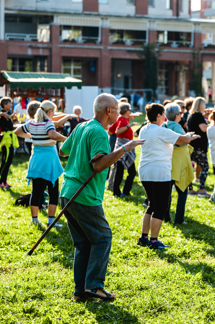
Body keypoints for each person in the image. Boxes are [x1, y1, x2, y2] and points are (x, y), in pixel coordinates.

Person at [59, 93, 144, 301]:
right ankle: (94, 286)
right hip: (83, 196)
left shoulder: (82, 126)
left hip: (68, 191)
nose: (118, 111)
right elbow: (98, 165)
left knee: (84, 244)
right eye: (117, 108)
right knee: (103, 237)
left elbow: (63, 150)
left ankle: (81, 291)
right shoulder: (98, 132)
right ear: (109, 111)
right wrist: (124, 148)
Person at [137, 103, 197, 249]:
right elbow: (183, 140)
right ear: (158, 116)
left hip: (145, 172)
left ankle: (144, 237)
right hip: (159, 173)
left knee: (152, 205)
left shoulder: (144, 129)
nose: (165, 117)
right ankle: (154, 241)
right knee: (160, 207)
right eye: (163, 114)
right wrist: (190, 136)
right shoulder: (160, 130)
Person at [15, 101, 67, 227]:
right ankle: (50, 221)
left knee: (36, 191)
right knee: (53, 191)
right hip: (49, 160)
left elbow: (17, 131)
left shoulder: (32, 122)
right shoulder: (48, 123)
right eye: (53, 112)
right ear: (49, 112)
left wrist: (32, 136)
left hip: (37, 160)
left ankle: (34, 220)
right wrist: (67, 139)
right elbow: (52, 134)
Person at [164, 103, 194, 224]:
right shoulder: (176, 126)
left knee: (167, 192)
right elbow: (182, 141)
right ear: (177, 115)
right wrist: (190, 137)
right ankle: (179, 219)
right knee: (182, 191)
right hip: (179, 160)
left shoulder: (165, 125)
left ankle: (166, 217)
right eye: (180, 113)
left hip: (169, 159)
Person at [111, 102, 139, 198]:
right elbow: (117, 131)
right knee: (125, 172)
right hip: (123, 148)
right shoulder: (122, 120)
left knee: (121, 172)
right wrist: (129, 125)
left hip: (123, 148)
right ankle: (121, 192)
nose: (131, 111)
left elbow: (111, 129)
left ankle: (119, 192)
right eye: (129, 110)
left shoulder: (123, 119)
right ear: (126, 111)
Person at [0, 97, 18, 189]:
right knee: (5, 161)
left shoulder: (8, 114)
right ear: (4, 105)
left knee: (9, 161)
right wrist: (1, 114)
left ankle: (4, 181)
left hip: (10, 139)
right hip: (5, 140)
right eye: (10, 103)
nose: (11, 105)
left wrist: (13, 119)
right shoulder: (1, 114)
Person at [187, 97, 211, 197]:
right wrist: (214, 125)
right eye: (204, 104)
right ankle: (201, 190)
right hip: (198, 146)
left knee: (188, 169)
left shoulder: (191, 115)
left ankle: (190, 190)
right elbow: (203, 129)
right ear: (200, 105)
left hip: (191, 146)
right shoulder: (198, 116)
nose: (205, 107)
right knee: (205, 167)